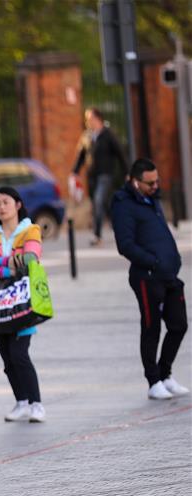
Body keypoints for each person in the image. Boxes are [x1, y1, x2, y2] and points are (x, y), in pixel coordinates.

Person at [112, 158, 188, 400]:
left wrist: (171, 260)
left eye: (157, 180)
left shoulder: (152, 199)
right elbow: (125, 245)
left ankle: (165, 374)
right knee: (151, 326)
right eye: (150, 182)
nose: (156, 186)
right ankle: (153, 381)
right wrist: (153, 262)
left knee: (179, 325)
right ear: (135, 182)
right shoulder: (123, 204)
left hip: (168, 275)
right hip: (147, 277)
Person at [0, 188, 46, 423]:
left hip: (22, 302)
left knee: (19, 354)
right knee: (7, 359)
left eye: (6, 202)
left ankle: (36, 403)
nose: (1, 207)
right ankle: (21, 402)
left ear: (18, 205)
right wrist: (7, 268)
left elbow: (30, 258)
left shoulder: (30, 231)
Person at [70, 107, 129, 246]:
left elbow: (120, 153)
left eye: (90, 118)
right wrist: (75, 172)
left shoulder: (108, 134)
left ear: (98, 119)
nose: (88, 121)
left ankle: (97, 236)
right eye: (87, 119)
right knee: (105, 205)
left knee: (98, 201)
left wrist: (127, 172)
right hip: (92, 176)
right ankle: (120, 230)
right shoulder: (87, 136)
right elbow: (81, 156)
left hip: (106, 174)